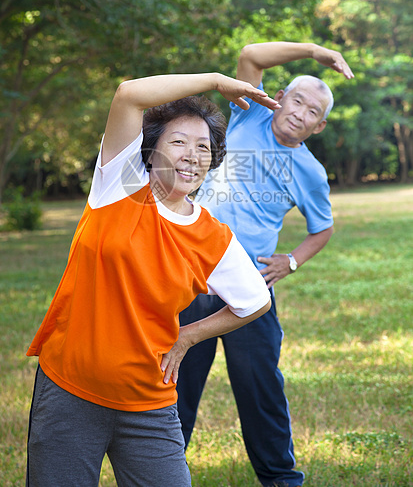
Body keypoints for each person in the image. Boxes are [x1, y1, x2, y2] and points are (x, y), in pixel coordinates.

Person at [25, 71, 278, 486]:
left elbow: (254, 301)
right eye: (178, 142)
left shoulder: (213, 237)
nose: (192, 155)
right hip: (70, 390)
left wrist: (189, 335)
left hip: (149, 404)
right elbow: (128, 94)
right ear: (151, 148)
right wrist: (216, 80)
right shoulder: (120, 186)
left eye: (203, 147)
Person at [177, 42, 354, 487]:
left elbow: (323, 229)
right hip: (191, 276)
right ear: (280, 98)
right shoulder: (248, 115)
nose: (300, 112)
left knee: (262, 391)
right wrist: (316, 52)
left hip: (250, 290)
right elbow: (251, 55)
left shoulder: (311, 172)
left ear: (319, 125)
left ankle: (280, 479)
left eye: (313, 111)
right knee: (174, 385)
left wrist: (291, 261)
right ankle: (159, 473)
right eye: (296, 99)